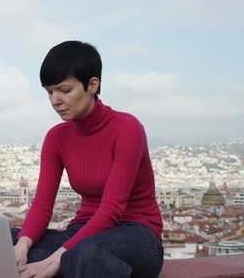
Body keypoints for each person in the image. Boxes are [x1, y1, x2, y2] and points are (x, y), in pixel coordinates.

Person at [11, 41, 164, 278]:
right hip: (84, 232)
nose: (55, 101)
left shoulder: (127, 128)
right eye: (50, 92)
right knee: (8, 241)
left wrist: (53, 260)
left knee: (78, 256)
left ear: (92, 85)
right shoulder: (56, 137)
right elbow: (42, 205)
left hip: (137, 235)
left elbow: (111, 210)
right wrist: (21, 246)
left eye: (65, 90)